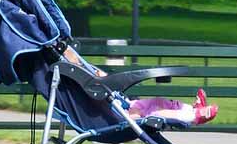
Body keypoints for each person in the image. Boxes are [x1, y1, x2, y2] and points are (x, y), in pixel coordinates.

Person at [62, 46, 218, 125]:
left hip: (127, 103)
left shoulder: (91, 83)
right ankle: (193, 116)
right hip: (130, 113)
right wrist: (137, 114)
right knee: (164, 111)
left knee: (164, 103)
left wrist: (101, 76)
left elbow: (99, 77)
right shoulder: (90, 91)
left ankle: (193, 109)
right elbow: (128, 118)